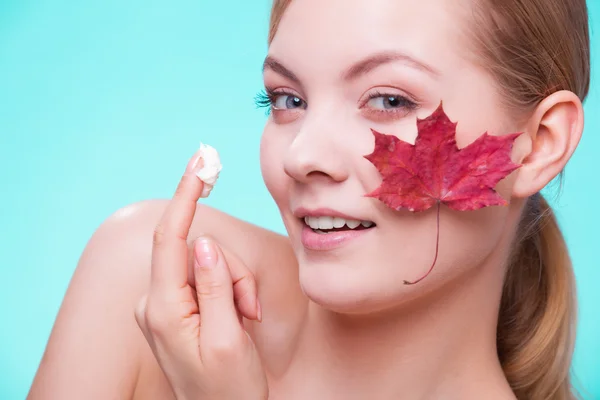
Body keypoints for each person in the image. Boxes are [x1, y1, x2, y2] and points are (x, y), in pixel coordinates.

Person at [28, 0, 590, 399]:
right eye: (287, 98)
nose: (301, 156)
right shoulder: (152, 283)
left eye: (389, 99)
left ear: (540, 146)